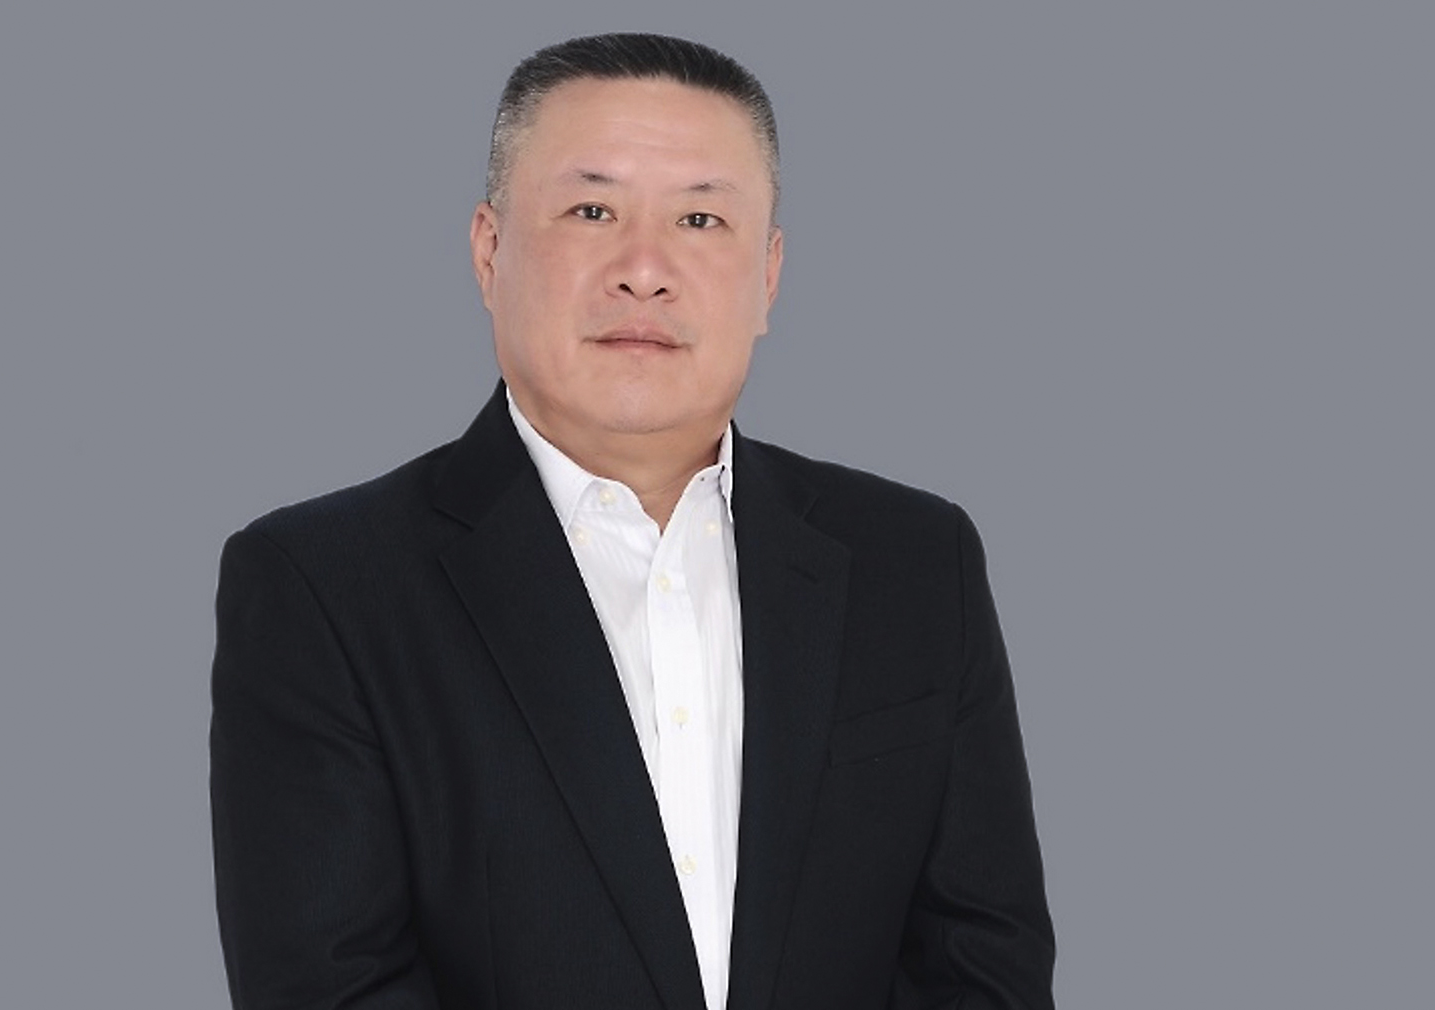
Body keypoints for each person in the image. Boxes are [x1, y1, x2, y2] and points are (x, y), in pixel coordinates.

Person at [210, 32, 1054, 1010]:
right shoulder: (324, 588)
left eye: (700, 218)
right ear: (489, 251)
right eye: (592, 210)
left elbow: (983, 962)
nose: (644, 269)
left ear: (769, 275)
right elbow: (330, 983)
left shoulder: (915, 562)